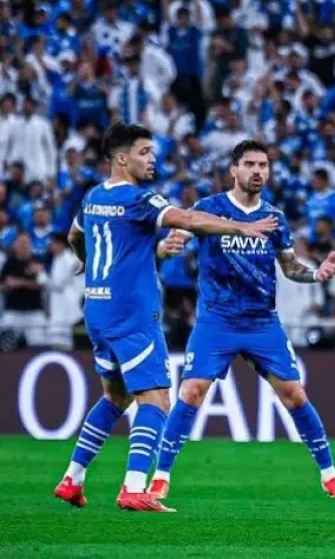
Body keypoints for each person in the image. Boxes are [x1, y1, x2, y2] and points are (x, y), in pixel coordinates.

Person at [54, 124, 276, 513]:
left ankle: (72, 479)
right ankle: (134, 487)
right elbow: (189, 220)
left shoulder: (93, 197)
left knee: (115, 396)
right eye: (143, 152)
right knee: (156, 399)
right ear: (121, 158)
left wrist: (92, 263)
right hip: (132, 315)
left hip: (98, 310)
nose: (152, 159)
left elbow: (76, 236)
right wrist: (241, 225)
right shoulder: (140, 198)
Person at [149, 140, 335, 501]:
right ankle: (160, 476)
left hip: (262, 322)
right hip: (217, 320)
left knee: (295, 395)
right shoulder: (209, 208)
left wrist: (316, 274)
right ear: (234, 170)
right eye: (250, 164)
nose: (258, 171)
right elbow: (177, 236)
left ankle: (330, 476)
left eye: (263, 165)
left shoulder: (275, 218)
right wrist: (168, 246)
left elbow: (290, 268)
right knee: (190, 391)